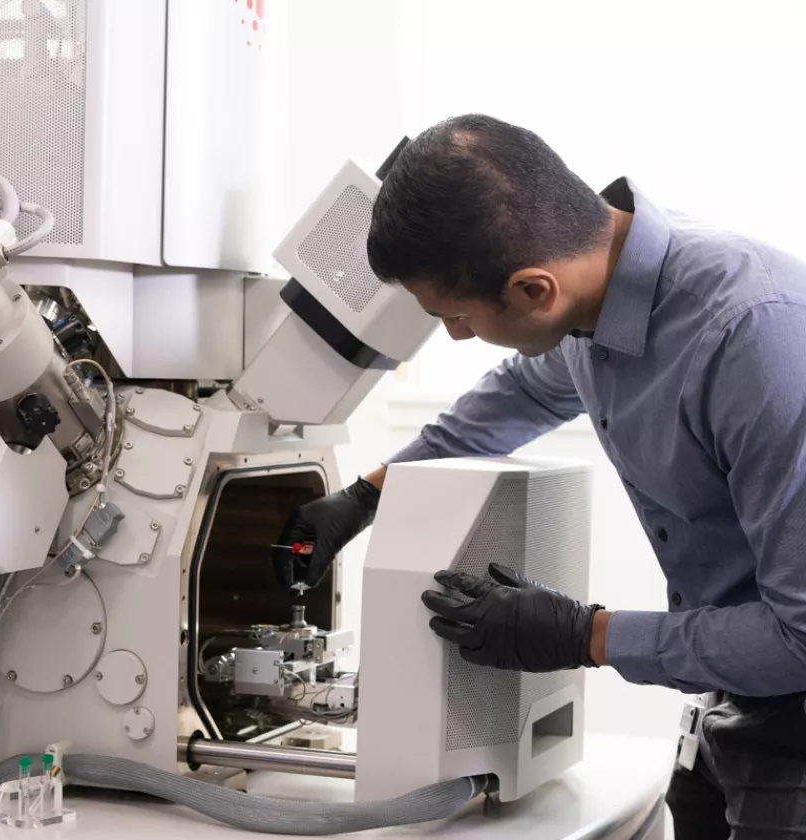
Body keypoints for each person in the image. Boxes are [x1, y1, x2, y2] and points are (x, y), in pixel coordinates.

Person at [272, 114, 806, 838]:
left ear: (532, 289)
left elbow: (798, 637)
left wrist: (584, 634)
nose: (457, 335)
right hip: (732, 706)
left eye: (456, 317)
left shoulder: (754, 338)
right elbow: (514, 398)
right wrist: (367, 494)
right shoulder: (596, 295)